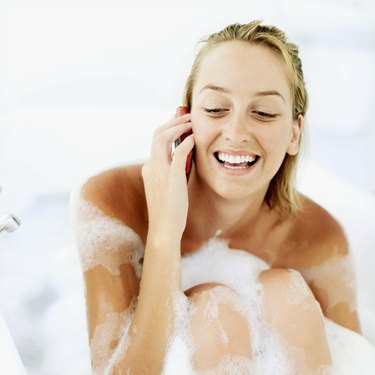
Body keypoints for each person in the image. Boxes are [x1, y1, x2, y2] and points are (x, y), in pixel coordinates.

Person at [72, 20, 363, 374]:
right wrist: (165, 232)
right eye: (215, 109)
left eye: (264, 113)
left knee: (286, 292)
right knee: (214, 306)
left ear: (294, 133)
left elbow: (357, 359)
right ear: (185, 118)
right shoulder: (112, 203)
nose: (237, 132)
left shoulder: (318, 239)